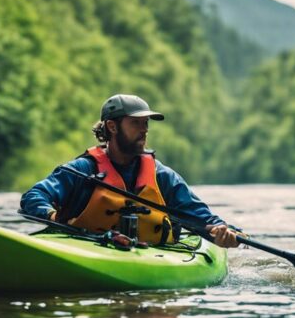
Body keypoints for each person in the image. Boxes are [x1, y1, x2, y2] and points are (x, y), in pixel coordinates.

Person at [20, 94, 239, 248]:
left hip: (151, 253)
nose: (144, 130)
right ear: (112, 127)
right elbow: (33, 197)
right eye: (136, 123)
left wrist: (220, 231)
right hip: (89, 245)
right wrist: (52, 216)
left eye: (146, 123)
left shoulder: (162, 177)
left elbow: (200, 216)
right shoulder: (82, 170)